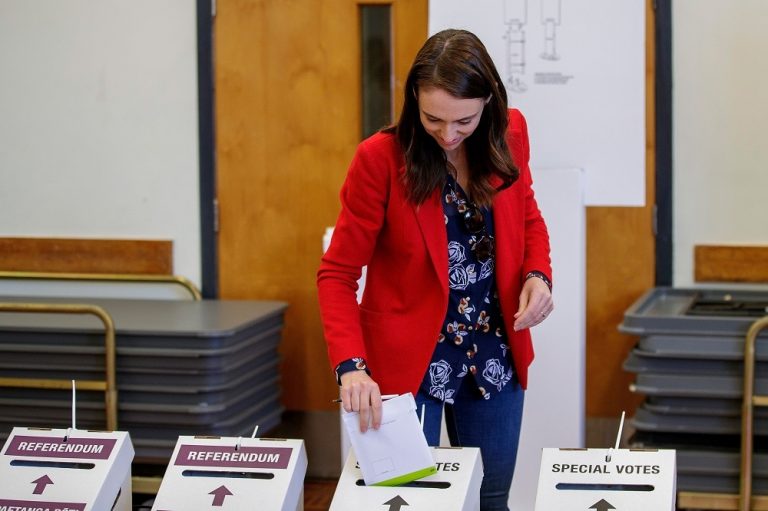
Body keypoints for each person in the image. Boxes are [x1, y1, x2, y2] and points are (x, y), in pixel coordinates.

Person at [317, 28, 553, 511]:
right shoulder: (380, 160)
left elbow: (528, 216)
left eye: (463, 121)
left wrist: (538, 275)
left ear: (488, 101)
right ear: (413, 103)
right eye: (432, 119)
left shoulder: (512, 134)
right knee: (408, 502)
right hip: (404, 367)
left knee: (491, 498)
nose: (447, 135)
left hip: (493, 352)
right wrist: (351, 367)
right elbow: (337, 274)